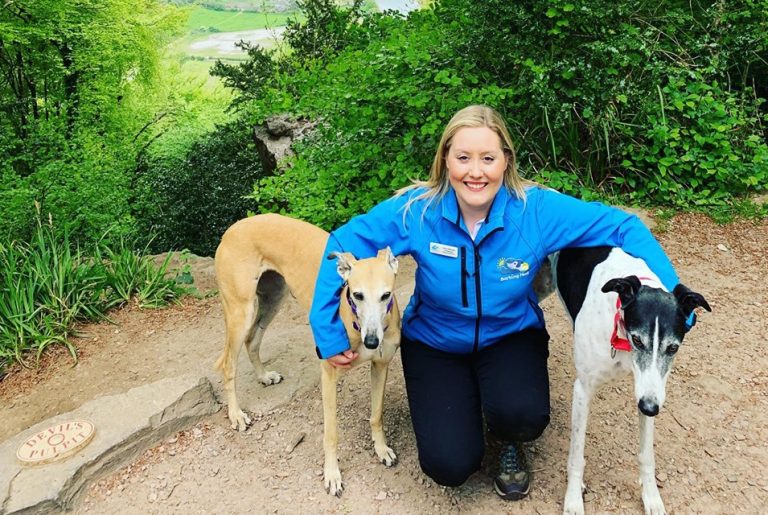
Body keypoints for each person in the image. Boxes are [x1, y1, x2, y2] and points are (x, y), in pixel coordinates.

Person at [308, 104, 687, 500]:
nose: (476, 171)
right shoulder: (416, 211)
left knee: (523, 416)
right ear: (445, 160)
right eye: (463, 158)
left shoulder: (536, 209)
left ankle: (508, 438)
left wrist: (677, 302)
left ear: (506, 161)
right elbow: (341, 243)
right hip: (436, 342)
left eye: (488, 158)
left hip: (510, 335)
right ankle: (463, 407)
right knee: (449, 465)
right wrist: (329, 333)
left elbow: (623, 225)